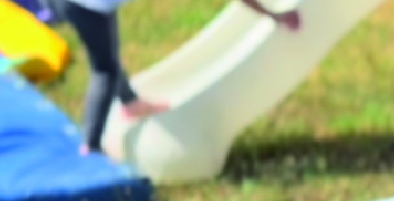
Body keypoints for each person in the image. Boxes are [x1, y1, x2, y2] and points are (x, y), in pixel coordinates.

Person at [55, 0, 300, 155]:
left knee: (107, 53)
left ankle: (129, 102)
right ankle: (92, 147)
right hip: (87, 6)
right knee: (105, 69)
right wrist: (275, 16)